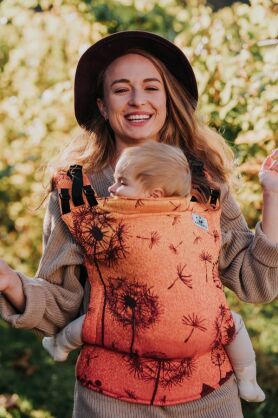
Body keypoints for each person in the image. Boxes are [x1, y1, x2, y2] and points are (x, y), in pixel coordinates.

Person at [0, 31, 277, 418]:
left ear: (167, 99)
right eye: (121, 89)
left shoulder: (203, 181)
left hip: (210, 398)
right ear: (101, 103)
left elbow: (255, 282)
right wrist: (11, 283)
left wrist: (274, 198)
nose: (137, 101)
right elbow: (63, 308)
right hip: (111, 400)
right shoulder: (77, 191)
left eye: (151, 87)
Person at [42, 140, 265, 403]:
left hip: (133, 330)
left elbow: (81, 219)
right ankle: (248, 380)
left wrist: (67, 181)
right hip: (204, 333)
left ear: (155, 194)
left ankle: (58, 346)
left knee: (92, 322)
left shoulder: (113, 227)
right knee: (234, 326)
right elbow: (213, 206)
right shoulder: (202, 218)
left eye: (122, 182)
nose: (112, 189)